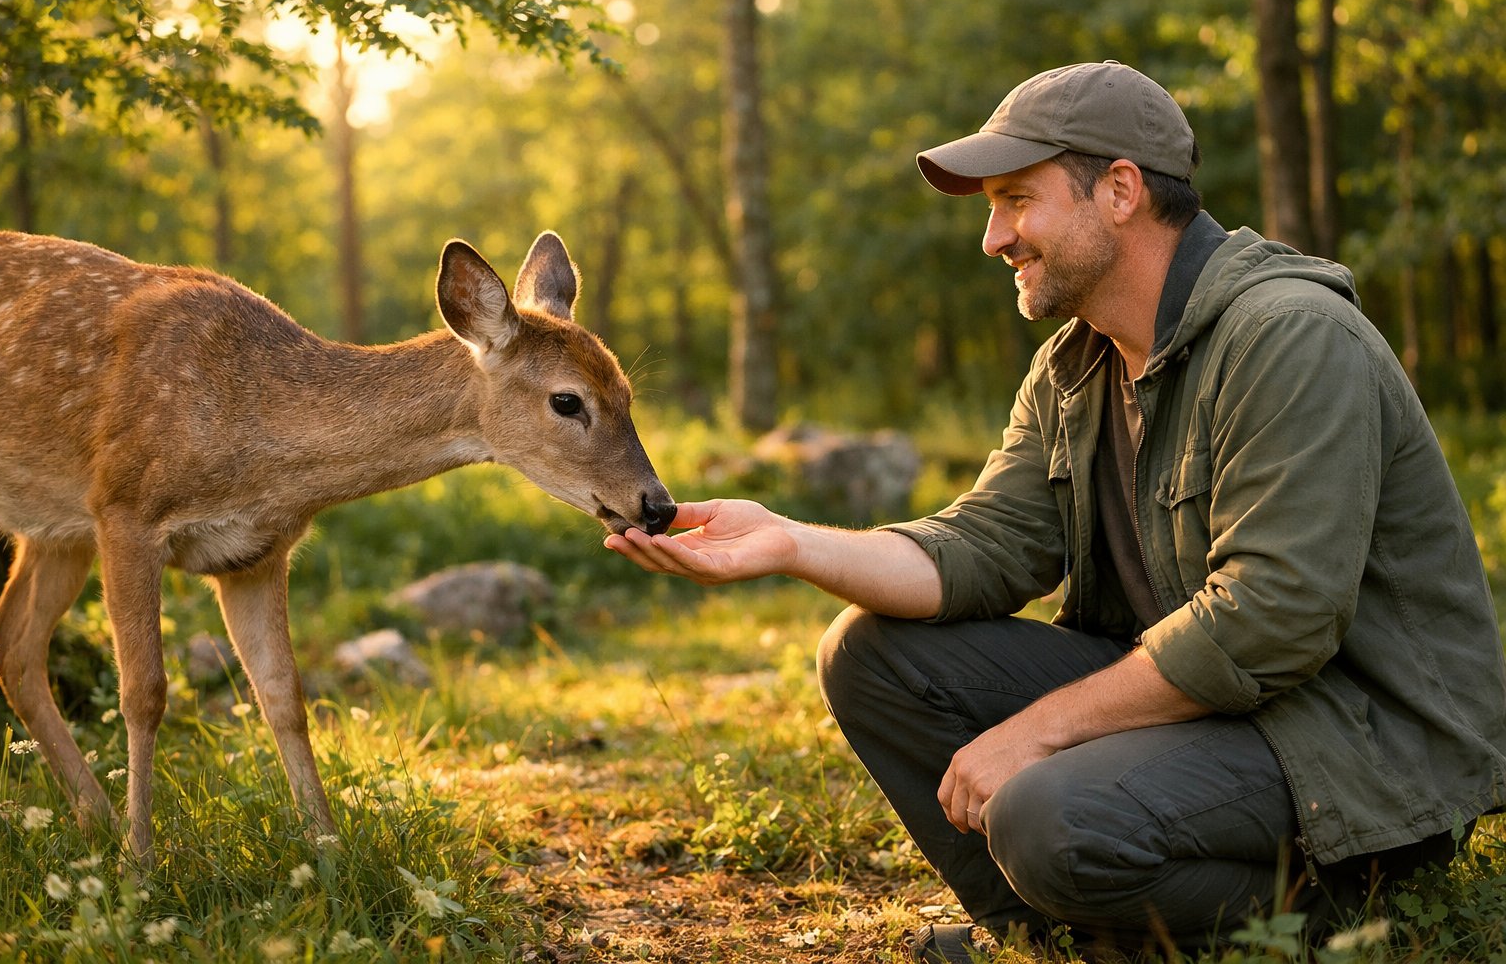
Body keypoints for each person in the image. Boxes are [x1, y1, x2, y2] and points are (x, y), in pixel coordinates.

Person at [605, 61, 1506, 959]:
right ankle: (1046, 935)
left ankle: (1332, 919)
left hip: (1350, 748)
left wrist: (1036, 734)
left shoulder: (1288, 337)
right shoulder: (1078, 364)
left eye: (1016, 201)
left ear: (1119, 190)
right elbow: (986, 547)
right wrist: (789, 542)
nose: (994, 238)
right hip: (1213, 710)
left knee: (1046, 812)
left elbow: (1274, 619)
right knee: (871, 653)